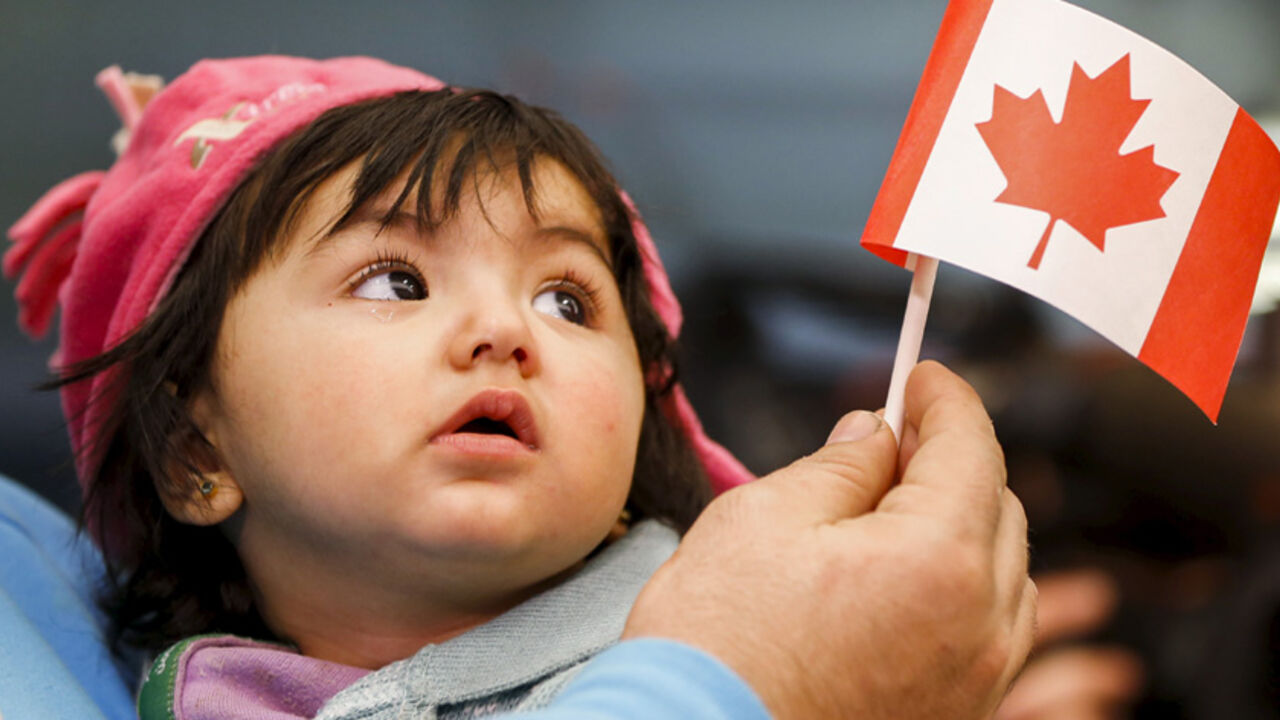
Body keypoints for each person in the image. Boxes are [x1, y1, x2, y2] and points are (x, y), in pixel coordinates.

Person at [5, 55, 1035, 719]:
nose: (502, 331)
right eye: (394, 280)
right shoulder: (196, 699)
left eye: (567, 301)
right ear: (195, 453)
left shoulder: (762, 615)